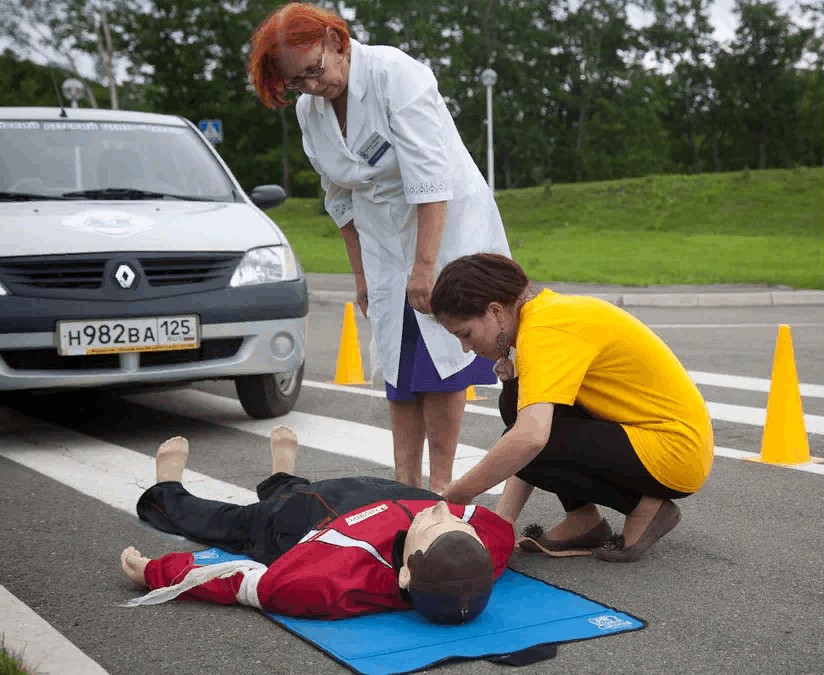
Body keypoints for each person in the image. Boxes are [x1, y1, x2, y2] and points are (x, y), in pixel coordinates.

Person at [247, 3, 511, 494]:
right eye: (297, 81)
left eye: (314, 70)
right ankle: (403, 485)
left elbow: (433, 180)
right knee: (399, 366)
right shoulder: (312, 110)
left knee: (440, 360)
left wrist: (426, 267)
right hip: (383, 244)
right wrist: (363, 276)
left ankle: (439, 491)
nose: (311, 85)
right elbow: (339, 198)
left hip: (444, 230)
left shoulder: (396, 75)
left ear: (336, 41)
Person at [430, 254, 715, 563]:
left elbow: (529, 440)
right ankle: (583, 520)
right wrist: (502, 526)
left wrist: (457, 495)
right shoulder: (545, 315)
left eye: (466, 334)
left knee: (524, 433)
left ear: (495, 311)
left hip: (674, 451)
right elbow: (526, 437)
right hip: (663, 440)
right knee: (516, 404)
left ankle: (646, 508)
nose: (466, 348)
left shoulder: (545, 329)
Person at [121, 427, 515, 623]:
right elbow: (498, 532)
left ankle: (166, 488)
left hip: (300, 523)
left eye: (435, 524)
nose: (444, 509)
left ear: (406, 573)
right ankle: (282, 474)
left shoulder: (328, 582)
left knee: (224, 520)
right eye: (458, 524)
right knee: (301, 490)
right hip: (372, 492)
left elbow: (241, 583)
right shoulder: (489, 543)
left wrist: (157, 574)